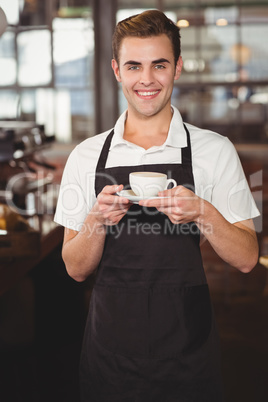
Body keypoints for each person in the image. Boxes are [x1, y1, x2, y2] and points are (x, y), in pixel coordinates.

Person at [54, 9, 260, 402]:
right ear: (117, 70)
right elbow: (75, 269)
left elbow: (248, 258)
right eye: (134, 66)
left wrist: (203, 211)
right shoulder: (86, 155)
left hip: (189, 352)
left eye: (159, 65)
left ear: (177, 68)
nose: (146, 80)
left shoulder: (214, 151)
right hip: (109, 353)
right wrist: (97, 220)